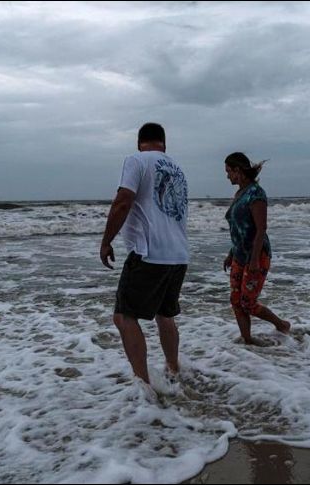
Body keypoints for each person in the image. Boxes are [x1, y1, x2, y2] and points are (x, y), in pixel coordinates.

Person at [100, 122, 189, 386]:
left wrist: (106, 241)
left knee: (124, 316)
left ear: (139, 143)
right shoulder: (177, 169)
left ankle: (144, 384)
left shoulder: (136, 160)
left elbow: (123, 201)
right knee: (165, 315)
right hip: (178, 254)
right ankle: (174, 369)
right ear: (164, 143)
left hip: (149, 254)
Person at [223, 152, 290, 345]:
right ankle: (247, 339)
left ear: (238, 170)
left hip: (257, 256)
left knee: (248, 302)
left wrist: (253, 260)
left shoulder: (256, 193)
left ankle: (282, 324)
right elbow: (238, 230)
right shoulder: (239, 193)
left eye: (229, 171)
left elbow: (261, 229)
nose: (227, 176)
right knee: (236, 300)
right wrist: (231, 254)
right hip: (239, 255)